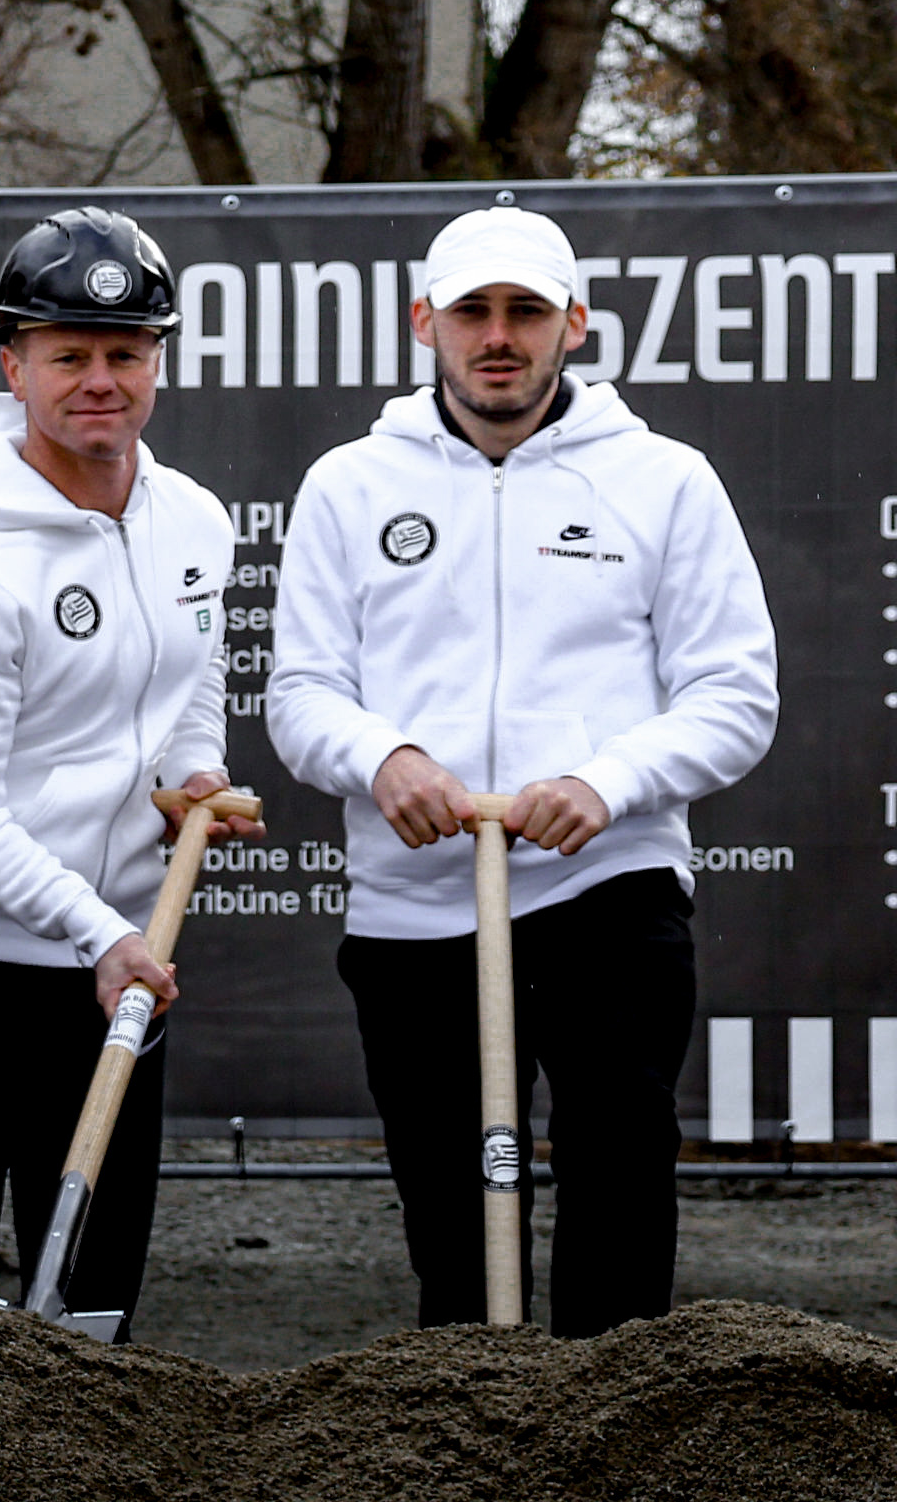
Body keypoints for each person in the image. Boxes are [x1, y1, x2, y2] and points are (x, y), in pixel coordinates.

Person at [267, 202, 779, 1335]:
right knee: (448, 1210)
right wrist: (384, 757)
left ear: (574, 325)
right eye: (473, 312)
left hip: (607, 890)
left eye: (526, 312)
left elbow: (736, 696)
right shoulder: (350, 483)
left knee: (621, 1174)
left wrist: (607, 782)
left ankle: (609, 1422)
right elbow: (300, 696)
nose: (498, 336)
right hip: (414, 905)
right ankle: (469, 1421)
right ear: (425, 323)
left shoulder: (664, 480)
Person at [0, 209, 252, 1333]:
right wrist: (98, 931)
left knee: (93, 1296)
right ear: (13, 366)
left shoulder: (192, 521)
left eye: (126, 353)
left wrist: (194, 768)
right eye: (68, 354)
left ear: (158, 361)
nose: (100, 381)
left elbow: (193, 672)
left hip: (118, 957)